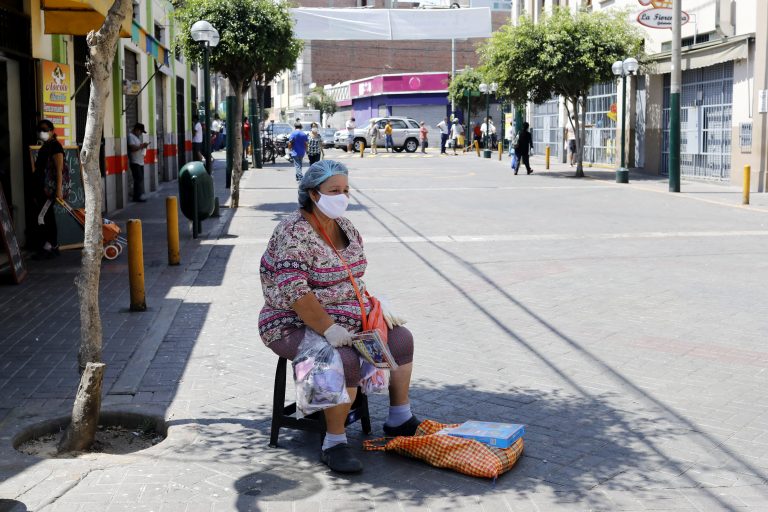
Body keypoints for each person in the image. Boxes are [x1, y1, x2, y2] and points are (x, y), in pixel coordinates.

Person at [259, 160, 417, 474]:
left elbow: (356, 273)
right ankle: (334, 442)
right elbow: (294, 291)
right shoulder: (293, 231)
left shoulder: (344, 225)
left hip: (351, 317)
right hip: (291, 322)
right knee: (341, 359)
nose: (342, 196)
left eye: (345, 189)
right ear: (313, 194)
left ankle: (400, 417)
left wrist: (375, 305)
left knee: (401, 340)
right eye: (334, 191)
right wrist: (327, 328)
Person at [32, 119, 64, 259]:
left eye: (45, 129)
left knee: (43, 216)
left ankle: (49, 246)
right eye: (40, 129)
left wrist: (58, 189)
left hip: (49, 190)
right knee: (46, 216)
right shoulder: (46, 145)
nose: (42, 132)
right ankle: (52, 245)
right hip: (41, 188)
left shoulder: (55, 146)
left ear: (52, 131)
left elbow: (59, 169)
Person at [127, 122, 149, 202]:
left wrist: (142, 146)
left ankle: (138, 195)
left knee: (140, 179)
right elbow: (132, 148)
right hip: (135, 162)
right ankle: (137, 197)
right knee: (138, 179)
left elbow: (138, 147)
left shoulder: (136, 137)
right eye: (140, 131)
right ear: (136, 130)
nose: (140, 133)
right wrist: (142, 146)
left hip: (140, 162)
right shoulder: (130, 136)